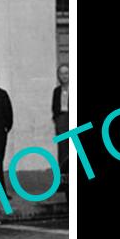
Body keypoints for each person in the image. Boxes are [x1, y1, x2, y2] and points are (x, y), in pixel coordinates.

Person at [52, 64, 69, 193]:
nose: (64, 76)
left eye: (66, 73)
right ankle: (63, 182)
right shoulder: (57, 90)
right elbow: (55, 107)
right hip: (61, 120)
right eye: (61, 73)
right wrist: (58, 119)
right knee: (63, 152)